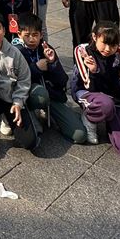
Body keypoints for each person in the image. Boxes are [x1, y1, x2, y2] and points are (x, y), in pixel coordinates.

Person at [70, 21, 120, 160]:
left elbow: (119, 94)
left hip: (112, 99)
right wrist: (94, 71)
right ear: (94, 37)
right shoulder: (83, 51)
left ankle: (110, 121)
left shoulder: (118, 55)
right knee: (105, 104)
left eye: (113, 45)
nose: (108, 49)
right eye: (104, 43)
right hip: (87, 93)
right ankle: (89, 118)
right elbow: (88, 86)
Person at [13, 13, 86, 144]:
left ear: (41, 35)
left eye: (35, 35)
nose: (31, 39)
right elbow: (16, 80)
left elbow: (62, 81)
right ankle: (31, 113)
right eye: (27, 35)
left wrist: (53, 63)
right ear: (19, 34)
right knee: (41, 96)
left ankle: (49, 112)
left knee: (80, 135)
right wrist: (36, 68)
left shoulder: (46, 49)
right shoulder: (16, 52)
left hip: (51, 95)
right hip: (25, 96)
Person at [0, 10, 39, 157]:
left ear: (4, 30)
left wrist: (18, 102)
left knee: (30, 142)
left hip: (11, 99)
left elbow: (24, 79)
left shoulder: (15, 52)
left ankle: (7, 118)